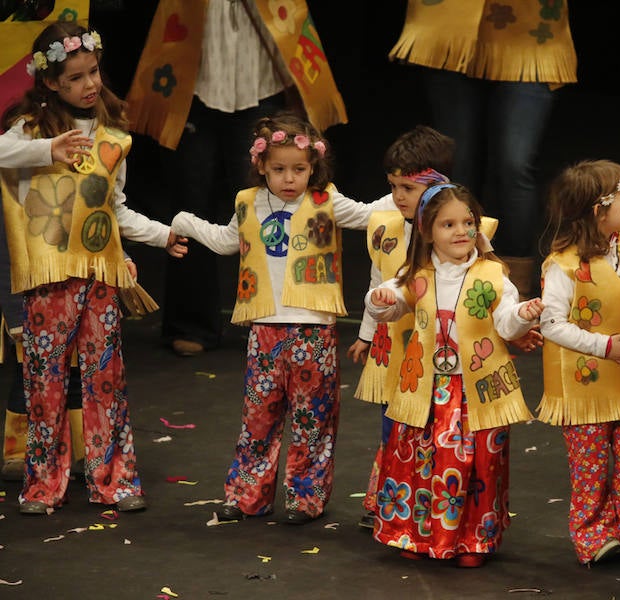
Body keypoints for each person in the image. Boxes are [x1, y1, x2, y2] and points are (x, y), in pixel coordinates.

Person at [0, 21, 187, 514]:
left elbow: (114, 207)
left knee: (105, 379)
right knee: (46, 381)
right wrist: (48, 149)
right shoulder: (31, 131)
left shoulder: (112, 137)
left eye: (94, 72)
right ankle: (44, 484)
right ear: (50, 83)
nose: (90, 85)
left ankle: (114, 478)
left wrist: (162, 234)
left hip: (99, 276)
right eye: (76, 77)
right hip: (47, 280)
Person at [171, 112, 389, 523]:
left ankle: (304, 498)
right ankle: (247, 495)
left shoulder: (325, 201)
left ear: (313, 167)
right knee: (259, 415)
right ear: (261, 166)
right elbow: (223, 242)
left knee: (312, 420)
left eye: (299, 169)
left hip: (313, 328)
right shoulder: (247, 202)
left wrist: (415, 192)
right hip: (264, 327)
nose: (289, 178)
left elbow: (369, 215)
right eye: (279, 169)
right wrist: (185, 222)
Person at [126, 0, 347, 357]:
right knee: (190, 201)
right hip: (193, 86)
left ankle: (275, 318)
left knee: (272, 205)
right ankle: (191, 324)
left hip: (258, 86)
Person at [365, 182, 543, 568]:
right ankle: (419, 535)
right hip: (428, 389)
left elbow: (506, 323)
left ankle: (472, 541)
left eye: (468, 222)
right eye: (448, 224)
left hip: (476, 390)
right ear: (428, 231)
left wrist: (523, 316)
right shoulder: (417, 273)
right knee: (424, 462)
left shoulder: (493, 274)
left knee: (477, 465)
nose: (461, 231)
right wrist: (379, 301)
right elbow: (391, 305)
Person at [388, 0, 577, 299]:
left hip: (526, 34)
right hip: (452, 23)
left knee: (514, 165)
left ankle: (516, 287)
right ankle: (451, 273)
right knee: (457, 164)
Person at [538, 159, 620, 564]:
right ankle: (593, 532)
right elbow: (552, 323)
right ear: (598, 210)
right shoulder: (565, 264)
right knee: (590, 466)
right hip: (586, 384)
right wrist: (605, 347)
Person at [347, 125, 458, 528]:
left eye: (407, 188)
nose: (398, 197)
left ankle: (422, 503)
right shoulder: (387, 227)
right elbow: (379, 282)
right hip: (393, 345)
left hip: (436, 350)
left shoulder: (456, 231)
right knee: (392, 423)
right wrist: (364, 333)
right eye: (393, 186)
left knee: (428, 426)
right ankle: (388, 501)